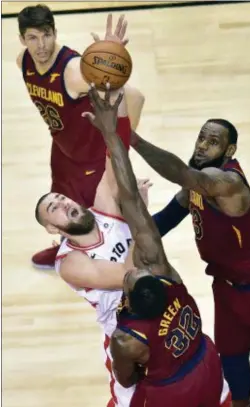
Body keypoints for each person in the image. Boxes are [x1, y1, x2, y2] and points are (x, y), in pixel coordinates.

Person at [84, 84, 232, 407]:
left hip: (173, 393)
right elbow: (132, 198)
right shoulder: (166, 274)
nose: (129, 273)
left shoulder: (126, 339)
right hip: (208, 366)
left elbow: (128, 379)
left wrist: (112, 134)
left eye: (128, 279)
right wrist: (113, 135)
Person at [128, 120, 250, 407]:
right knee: (232, 358)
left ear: (229, 150)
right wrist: (126, 236)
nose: (202, 146)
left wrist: (132, 139)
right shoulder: (194, 187)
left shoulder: (228, 184)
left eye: (213, 141)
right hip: (227, 288)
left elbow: (183, 173)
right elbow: (165, 220)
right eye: (201, 138)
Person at [34, 87, 150, 407]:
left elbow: (117, 155)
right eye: (54, 208)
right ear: (52, 228)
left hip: (164, 310)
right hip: (127, 340)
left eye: (61, 198)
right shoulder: (70, 263)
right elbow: (130, 274)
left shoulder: (103, 206)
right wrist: (141, 215)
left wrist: (112, 89)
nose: (63, 202)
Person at [17, 4, 145, 269]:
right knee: (60, 210)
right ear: (22, 39)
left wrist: (121, 149)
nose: (41, 45)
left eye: (46, 35)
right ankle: (65, 247)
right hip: (63, 147)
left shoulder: (74, 71)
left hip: (92, 155)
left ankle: (111, 264)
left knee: (94, 216)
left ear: (55, 32)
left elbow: (134, 97)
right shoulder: (24, 61)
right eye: (33, 37)